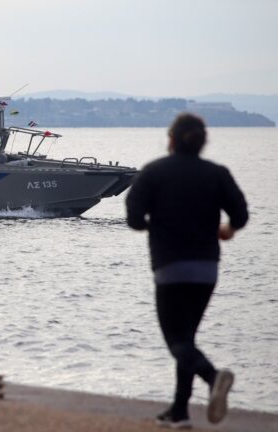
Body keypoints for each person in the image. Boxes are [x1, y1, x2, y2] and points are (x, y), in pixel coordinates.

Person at [126, 113, 248, 428]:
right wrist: (227, 230)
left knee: (177, 342)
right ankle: (179, 412)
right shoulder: (217, 173)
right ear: (203, 142)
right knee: (187, 339)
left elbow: (134, 218)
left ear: (171, 140)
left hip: (170, 267)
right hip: (206, 269)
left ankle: (213, 377)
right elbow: (240, 214)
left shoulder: (154, 172)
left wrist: (156, 226)